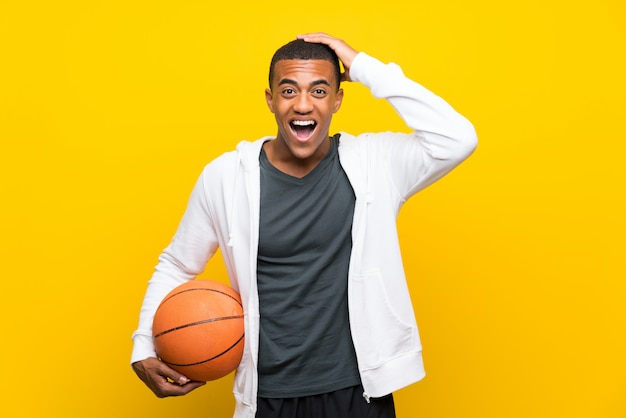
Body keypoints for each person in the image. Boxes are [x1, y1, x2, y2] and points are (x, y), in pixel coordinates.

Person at [131, 32, 477, 418]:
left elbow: (458, 138)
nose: (303, 105)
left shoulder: (375, 165)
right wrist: (144, 344)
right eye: (289, 90)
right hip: (266, 396)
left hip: (358, 391)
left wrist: (361, 65)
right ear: (270, 100)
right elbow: (177, 265)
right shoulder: (226, 177)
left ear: (337, 100)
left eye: (319, 91)